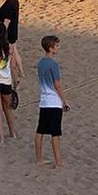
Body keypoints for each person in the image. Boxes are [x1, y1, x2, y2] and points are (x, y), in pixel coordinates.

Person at [35, 35, 68, 168]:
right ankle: (58, 162)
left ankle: (39, 159)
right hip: (53, 102)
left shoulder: (41, 63)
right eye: (56, 46)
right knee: (56, 133)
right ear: (50, 48)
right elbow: (57, 85)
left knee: (40, 131)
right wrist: (64, 101)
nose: (58, 48)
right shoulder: (53, 64)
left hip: (44, 102)